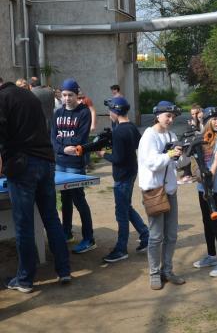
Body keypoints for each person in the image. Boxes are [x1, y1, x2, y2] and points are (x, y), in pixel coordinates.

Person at [0, 81, 70, 293]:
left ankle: (24, 280)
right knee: (51, 218)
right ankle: (64, 270)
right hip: (46, 162)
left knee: (24, 224)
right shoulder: (28, 95)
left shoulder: (2, 99)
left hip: (22, 165)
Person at [138, 100, 186, 290]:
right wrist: (169, 155)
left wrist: (185, 154)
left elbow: (177, 163)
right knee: (156, 236)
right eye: (168, 116)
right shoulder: (148, 137)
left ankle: (167, 270)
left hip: (170, 190)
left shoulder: (171, 135)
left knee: (171, 235)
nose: (171, 119)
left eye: (173, 117)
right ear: (157, 115)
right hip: (154, 191)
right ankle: (154, 273)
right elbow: (151, 163)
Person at [96, 97, 149, 262]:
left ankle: (121, 249)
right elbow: (138, 145)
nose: (109, 113)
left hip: (122, 176)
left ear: (115, 111)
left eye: (110, 110)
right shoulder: (131, 127)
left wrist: (103, 154)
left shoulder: (119, 131)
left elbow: (117, 158)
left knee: (121, 213)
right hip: (131, 171)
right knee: (126, 207)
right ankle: (145, 235)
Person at [51, 78, 96, 253]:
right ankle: (67, 232)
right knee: (65, 199)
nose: (67, 98)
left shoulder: (84, 113)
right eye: (64, 95)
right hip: (60, 162)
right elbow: (53, 138)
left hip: (75, 163)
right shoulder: (57, 113)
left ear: (77, 95)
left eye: (70, 95)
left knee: (78, 199)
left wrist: (63, 145)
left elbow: (80, 138)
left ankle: (89, 238)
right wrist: (63, 148)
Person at [192, 107, 217, 277]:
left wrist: (207, 180)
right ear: (207, 121)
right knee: (206, 222)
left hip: (215, 187)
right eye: (214, 119)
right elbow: (196, 162)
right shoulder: (202, 138)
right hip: (203, 186)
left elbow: (215, 164)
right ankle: (211, 256)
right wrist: (197, 175)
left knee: (215, 224)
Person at [178, 104, 202, 185]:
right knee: (185, 149)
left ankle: (188, 174)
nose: (194, 116)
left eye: (196, 113)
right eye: (192, 114)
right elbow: (187, 134)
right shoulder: (190, 122)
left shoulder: (203, 121)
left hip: (201, 144)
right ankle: (187, 174)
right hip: (193, 143)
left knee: (189, 150)